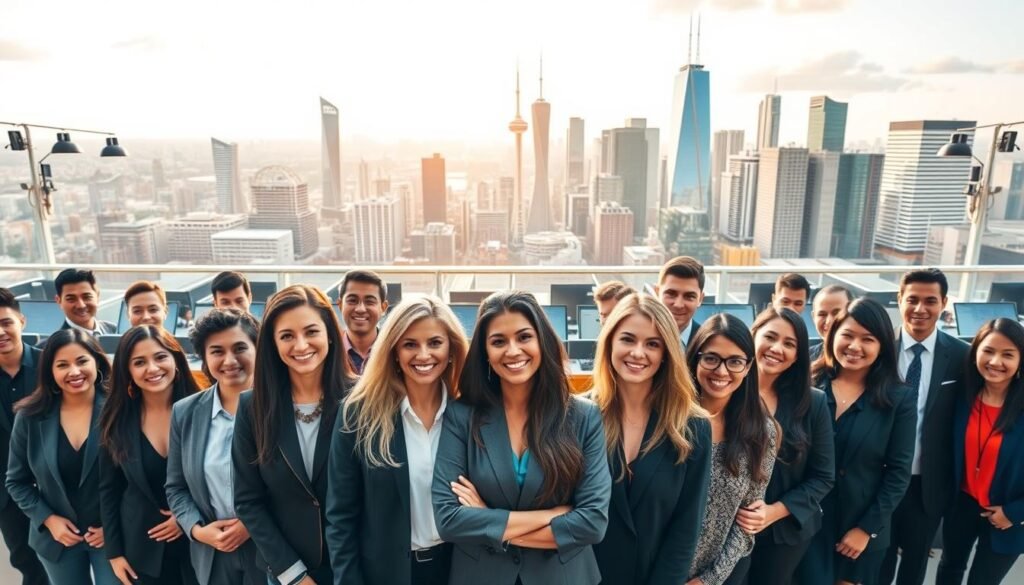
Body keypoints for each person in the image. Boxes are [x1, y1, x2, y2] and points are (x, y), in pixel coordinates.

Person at [431, 291, 611, 585]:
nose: (513, 350)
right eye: (499, 341)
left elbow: (592, 524)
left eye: (524, 337)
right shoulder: (461, 416)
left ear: (542, 341)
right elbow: (449, 520)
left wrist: (489, 519)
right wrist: (552, 515)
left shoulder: (584, 417)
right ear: (485, 352)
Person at [326, 296, 468, 585]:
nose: (424, 355)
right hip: (386, 573)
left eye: (435, 343)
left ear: (451, 349)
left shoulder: (470, 413)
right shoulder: (358, 414)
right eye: (410, 344)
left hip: (461, 568)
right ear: (393, 351)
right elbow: (341, 517)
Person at [232, 285, 353, 585]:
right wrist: (294, 574)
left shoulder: (361, 398)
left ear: (329, 333)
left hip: (354, 565)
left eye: (311, 331)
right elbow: (248, 501)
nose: (300, 345)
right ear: (272, 343)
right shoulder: (252, 407)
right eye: (287, 336)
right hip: (288, 570)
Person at [591, 293, 712, 585]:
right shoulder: (579, 416)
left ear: (667, 352)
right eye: (628, 339)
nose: (638, 353)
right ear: (609, 342)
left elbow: (686, 528)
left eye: (652, 344)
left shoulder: (693, 426)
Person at [802, 298, 916, 585]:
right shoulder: (808, 383)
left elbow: (898, 473)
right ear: (833, 336)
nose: (855, 346)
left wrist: (867, 529)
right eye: (848, 335)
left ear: (882, 347)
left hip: (858, 528)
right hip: (804, 522)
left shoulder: (898, 398)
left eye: (868, 339)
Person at [880, 268, 970, 585]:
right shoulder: (878, 349)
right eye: (912, 300)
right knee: (879, 560)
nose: (920, 309)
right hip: (880, 476)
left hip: (928, 482)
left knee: (915, 564)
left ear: (944, 302)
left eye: (930, 300)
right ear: (899, 300)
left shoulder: (961, 355)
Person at [5, 329, 117, 584]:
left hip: (110, 536)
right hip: (57, 540)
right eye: (62, 365)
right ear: (50, 373)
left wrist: (115, 526)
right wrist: (48, 519)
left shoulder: (119, 410)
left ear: (96, 363)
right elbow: (16, 481)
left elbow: (135, 479)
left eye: (81, 361)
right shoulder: (30, 417)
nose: (74, 372)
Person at [165, 309, 263, 585]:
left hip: (270, 547)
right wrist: (197, 530)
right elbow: (176, 487)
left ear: (258, 350)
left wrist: (250, 524)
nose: (229, 360)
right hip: (213, 551)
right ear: (205, 359)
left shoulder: (279, 408)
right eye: (217, 351)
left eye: (240, 348)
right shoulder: (185, 413)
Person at [739, 307, 835, 585]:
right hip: (724, 527)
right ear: (753, 337)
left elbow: (823, 476)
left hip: (783, 532)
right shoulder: (726, 388)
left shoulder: (813, 402)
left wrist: (773, 512)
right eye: (770, 337)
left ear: (797, 356)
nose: (777, 348)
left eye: (789, 344)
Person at [98, 325, 201, 585]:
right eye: (139, 362)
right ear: (128, 372)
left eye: (160, 357)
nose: (152, 368)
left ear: (176, 360)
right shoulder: (116, 420)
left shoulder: (204, 410)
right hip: (142, 551)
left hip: (202, 543)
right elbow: (109, 490)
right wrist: (115, 553)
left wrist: (187, 517)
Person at [686, 314, 778, 585]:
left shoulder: (761, 432)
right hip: (659, 567)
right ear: (696, 359)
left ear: (749, 366)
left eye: (735, 361)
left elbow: (747, 521)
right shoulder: (670, 420)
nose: (722, 371)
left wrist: (708, 580)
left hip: (719, 575)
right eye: (711, 358)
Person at [935, 318, 1024, 585]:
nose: (995, 361)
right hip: (962, 503)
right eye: (988, 351)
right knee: (949, 569)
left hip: (1007, 512)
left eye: (1007, 354)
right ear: (975, 352)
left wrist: (1016, 512)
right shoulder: (961, 396)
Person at [0, 288, 49, 585]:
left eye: (6, 322)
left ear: (22, 321)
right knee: (27, 564)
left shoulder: (52, 365)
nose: (1, 332)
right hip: (8, 495)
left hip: (55, 485)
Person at [337, 270, 389, 375]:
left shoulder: (393, 351)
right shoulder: (329, 351)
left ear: (383, 308)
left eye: (369, 302)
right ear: (340, 305)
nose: (360, 309)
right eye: (352, 300)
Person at [657, 256, 705, 349]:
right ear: (657, 292)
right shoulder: (641, 335)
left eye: (689, 296)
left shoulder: (707, 343)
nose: (678, 305)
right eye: (671, 294)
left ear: (700, 299)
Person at [55, 268, 117, 336]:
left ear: (98, 296)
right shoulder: (52, 345)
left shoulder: (115, 331)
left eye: (87, 297)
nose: (81, 305)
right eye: (71, 299)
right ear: (59, 301)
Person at [810, 285, 853, 361]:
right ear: (813, 317)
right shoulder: (804, 359)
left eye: (836, 313)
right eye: (822, 314)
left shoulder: (861, 356)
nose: (829, 321)